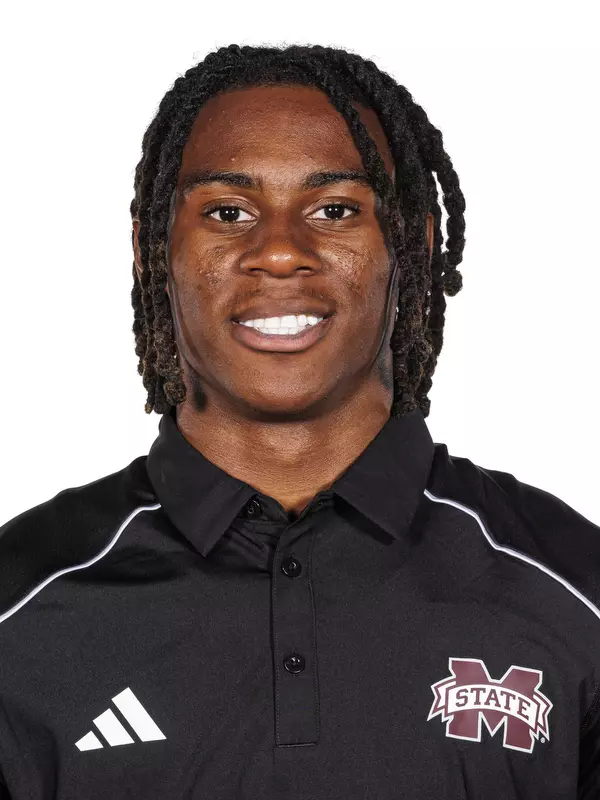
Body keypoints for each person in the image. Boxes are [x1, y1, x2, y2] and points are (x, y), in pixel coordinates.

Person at [0, 43, 598, 800]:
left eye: (335, 210)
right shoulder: (19, 607)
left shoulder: (574, 589)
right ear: (153, 250)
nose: (280, 252)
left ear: (412, 245)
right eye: (228, 212)